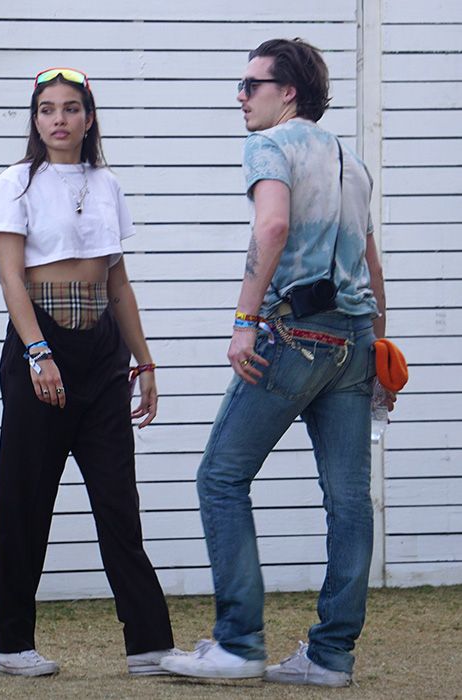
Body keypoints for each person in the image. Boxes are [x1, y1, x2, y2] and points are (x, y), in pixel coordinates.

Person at [160, 38, 395, 686]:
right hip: (352, 341)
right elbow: (371, 264)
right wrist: (379, 346)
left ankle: (237, 645)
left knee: (220, 478)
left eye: (251, 84)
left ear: (287, 91)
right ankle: (330, 658)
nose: (240, 96)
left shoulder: (272, 145)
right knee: (349, 501)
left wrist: (243, 322)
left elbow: (271, 228)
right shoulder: (352, 160)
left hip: (293, 334)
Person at [0, 68, 181, 677]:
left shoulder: (107, 183)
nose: (59, 119)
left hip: (102, 351)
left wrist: (143, 360)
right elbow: (12, 277)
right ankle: (12, 646)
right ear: (35, 119)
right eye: (47, 109)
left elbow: (117, 282)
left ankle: (149, 645)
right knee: (25, 500)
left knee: (118, 499)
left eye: (71, 108)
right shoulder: (15, 183)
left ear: (89, 118)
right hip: (39, 343)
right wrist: (37, 353)